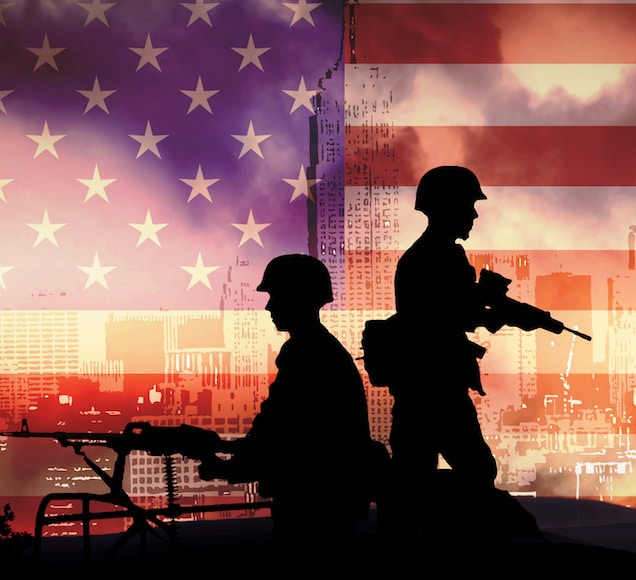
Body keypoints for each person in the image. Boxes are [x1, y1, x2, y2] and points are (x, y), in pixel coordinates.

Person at [197, 254, 382, 560]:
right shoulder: (321, 349)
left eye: (275, 296)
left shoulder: (304, 352)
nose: (269, 306)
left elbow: (282, 431)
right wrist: (231, 458)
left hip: (313, 500)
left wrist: (227, 466)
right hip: (331, 497)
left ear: (298, 297)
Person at [379, 165, 518, 546]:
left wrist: (496, 312)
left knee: (412, 475)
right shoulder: (441, 257)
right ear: (447, 206)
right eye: (468, 205)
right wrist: (498, 314)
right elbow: (447, 317)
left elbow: (449, 314)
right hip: (435, 387)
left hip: (423, 387)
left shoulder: (428, 256)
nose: (473, 214)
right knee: (473, 470)